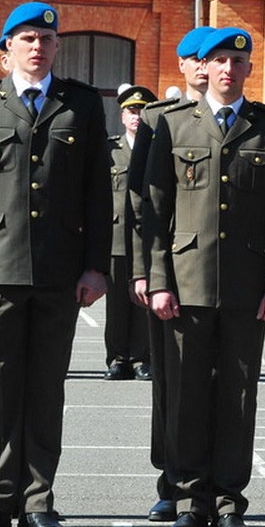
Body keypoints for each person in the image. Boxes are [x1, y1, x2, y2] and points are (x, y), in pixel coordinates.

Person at [0, 1, 110, 527]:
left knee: (44, 388)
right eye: (27, 38)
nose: (38, 47)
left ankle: (39, 498)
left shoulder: (80, 104)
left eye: (46, 39)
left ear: (57, 47)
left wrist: (95, 267)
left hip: (60, 271)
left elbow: (96, 195)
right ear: (6, 48)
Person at [144, 27, 265, 527]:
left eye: (237, 60)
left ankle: (230, 501)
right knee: (185, 395)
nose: (228, 68)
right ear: (202, 68)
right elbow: (154, 211)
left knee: (237, 396)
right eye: (218, 60)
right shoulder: (171, 125)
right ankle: (188, 499)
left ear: (249, 69)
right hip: (184, 284)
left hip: (246, 287)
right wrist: (157, 279)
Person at [127, 25, 212, 523]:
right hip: (172, 273)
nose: (205, 66)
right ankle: (172, 480)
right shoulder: (159, 120)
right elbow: (142, 205)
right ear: (182, 67)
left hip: (220, 276)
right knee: (173, 388)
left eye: (212, 57)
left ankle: (211, 485)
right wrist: (143, 272)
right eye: (195, 58)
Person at [104, 85, 155, 381]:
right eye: (131, 111)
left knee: (144, 302)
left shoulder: (158, 149)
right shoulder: (110, 150)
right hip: (117, 237)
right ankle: (117, 358)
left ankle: (140, 357)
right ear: (122, 116)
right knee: (117, 304)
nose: (136, 116)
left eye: (142, 111)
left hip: (148, 238)